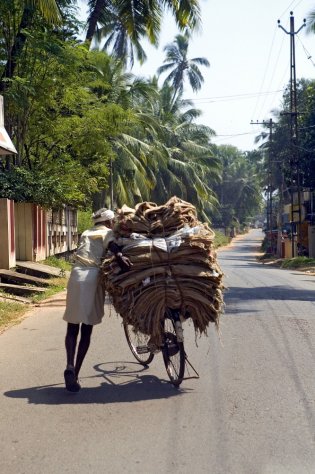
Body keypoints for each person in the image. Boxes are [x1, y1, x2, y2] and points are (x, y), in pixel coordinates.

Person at [63, 208, 132, 392]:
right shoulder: (108, 232)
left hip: (76, 275)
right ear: (109, 222)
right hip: (92, 278)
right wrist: (120, 256)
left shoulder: (86, 232)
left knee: (72, 326)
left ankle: (69, 365)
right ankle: (75, 374)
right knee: (86, 329)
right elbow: (113, 247)